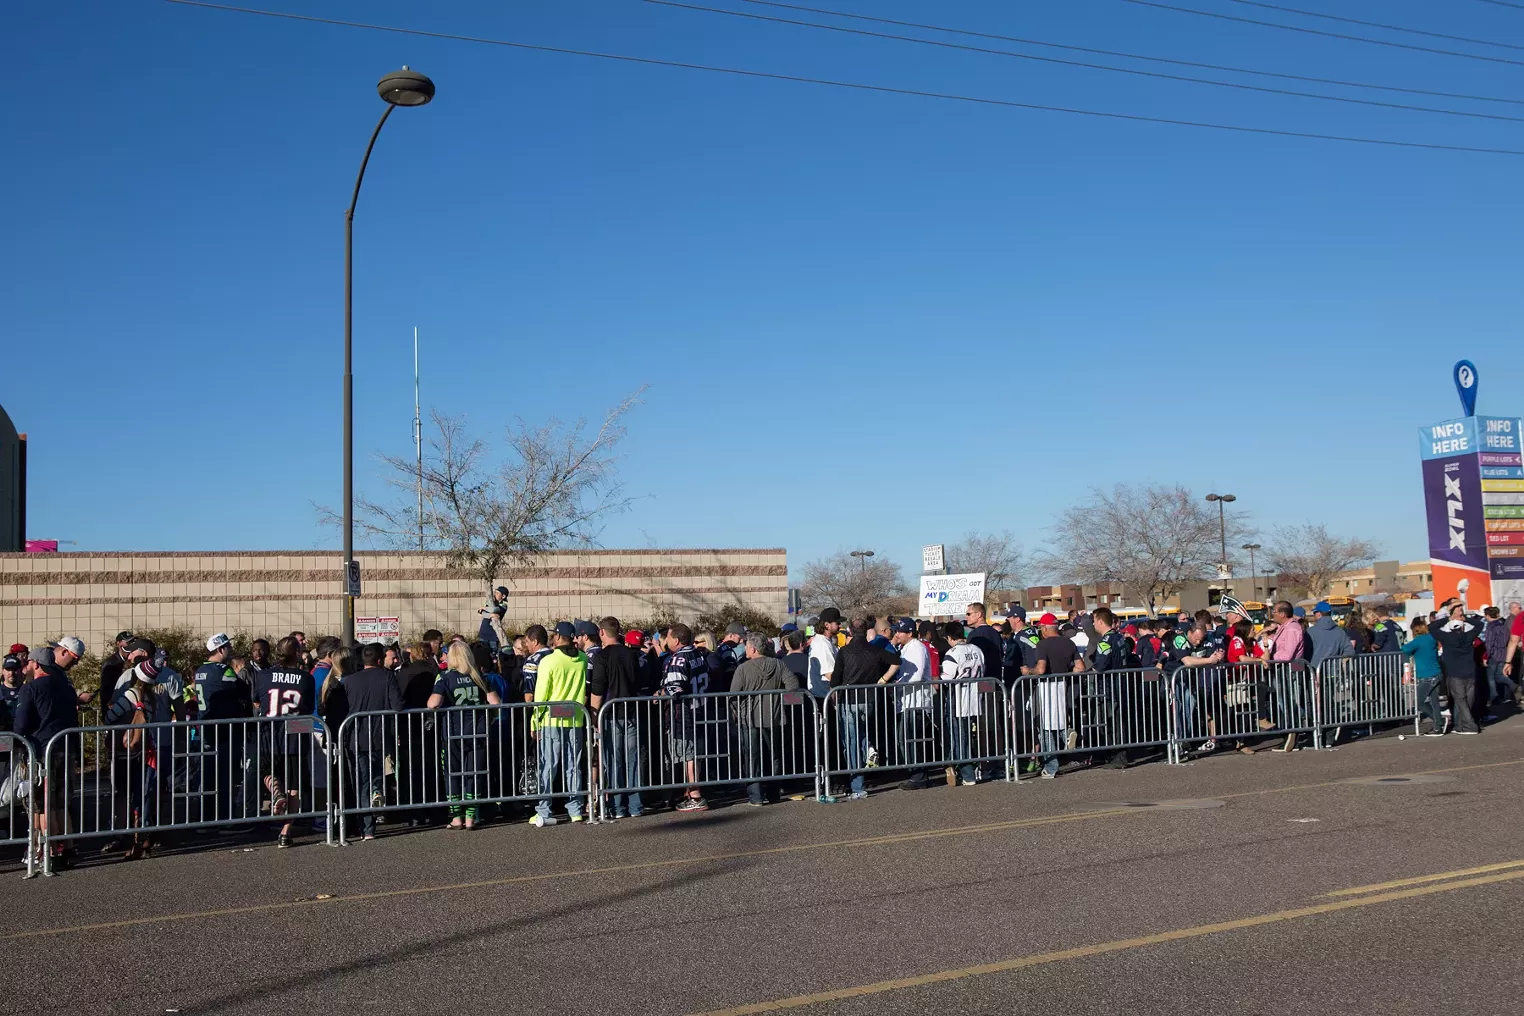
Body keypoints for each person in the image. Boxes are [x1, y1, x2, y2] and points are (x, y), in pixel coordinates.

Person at [104, 655, 177, 859]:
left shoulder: (131, 694)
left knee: (135, 795)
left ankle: (135, 838)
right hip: (149, 750)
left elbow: (109, 719)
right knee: (145, 794)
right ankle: (143, 836)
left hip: (132, 752)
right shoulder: (151, 698)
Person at [14, 647, 81, 869]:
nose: (26, 667)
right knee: (63, 804)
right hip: (67, 747)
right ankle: (69, 849)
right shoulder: (67, 687)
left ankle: (50, 852)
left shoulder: (31, 688)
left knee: (43, 806)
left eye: (29, 662)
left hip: (42, 750)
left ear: (36, 664)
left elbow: (21, 725)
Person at [426, 641, 502, 830]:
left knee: (452, 773)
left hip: (453, 732)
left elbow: (432, 703)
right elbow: (496, 703)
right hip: (478, 731)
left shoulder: (444, 677)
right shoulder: (480, 677)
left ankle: (456, 817)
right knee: (474, 773)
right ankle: (470, 818)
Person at [252, 636, 316, 848]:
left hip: (270, 732)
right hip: (296, 733)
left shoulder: (263, 675)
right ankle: (286, 831)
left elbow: (257, 700)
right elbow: (307, 707)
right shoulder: (306, 678)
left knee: (267, 772)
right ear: (297, 654)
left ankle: (275, 791)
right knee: (295, 786)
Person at [828, 615, 900, 800]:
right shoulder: (874, 650)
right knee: (860, 736)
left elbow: (835, 680)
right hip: (868, 699)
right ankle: (866, 754)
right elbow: (896, 661)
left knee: (850, 741)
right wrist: (882, 680)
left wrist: (835, 697)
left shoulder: (844, 652)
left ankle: (857, 784)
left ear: (850, 632)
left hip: (850, 700)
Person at [730, 632, 801, 806]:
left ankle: (756, 796)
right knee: (773, 756)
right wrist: (780, 703)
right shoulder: (779, 664)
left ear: (753, 649)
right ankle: (773, 793)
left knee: (752, 757)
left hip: (750, 719)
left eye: (747, 646)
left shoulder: (743, 669)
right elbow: (793, 687)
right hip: (774, 718)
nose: (745, 649)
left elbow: (733, 695)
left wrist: (738, 713)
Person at [588, 617, 649, 819]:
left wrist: (594, 715)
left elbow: (597, 688)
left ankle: (617, 806)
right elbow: (639, 682)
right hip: (631, 711)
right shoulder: (632, 654)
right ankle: (635, 805)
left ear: (602, 633)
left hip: (611, 713)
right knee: (633, 760)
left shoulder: (601, 657)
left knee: (614, 760)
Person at [529, 624, 588, 826]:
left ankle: (544, 810)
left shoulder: (549, 661)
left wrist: (534, 721)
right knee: (573, 766)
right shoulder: (582, 658)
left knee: (548, 766)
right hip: (576, 717)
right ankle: (575, 809)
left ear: (557, 637)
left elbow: (541, 695)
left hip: (551, 719)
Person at [193, 633, 254, 825]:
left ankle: (207, 818)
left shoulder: (200, 670)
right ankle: (226, 818)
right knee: (227, 775)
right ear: (220, 649)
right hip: (225, 730)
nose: (231, 649)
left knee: (209, 775)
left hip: (207, 727)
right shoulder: (223, 670)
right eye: (228, 646)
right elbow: (243, 689)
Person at [657, 623, 711, 812]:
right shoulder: (699, 655)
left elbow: (675, 688)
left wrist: (659, 693)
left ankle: (695, 795)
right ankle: (692, 790)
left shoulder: (679, 659)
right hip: (701, 711)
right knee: (695, 754)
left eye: (669, 637)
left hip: (686, 714)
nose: (667, 640)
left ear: (677, 640)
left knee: (690, 755)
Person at [889, 617, 936, 790]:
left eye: (901, 631)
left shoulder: (916, 647)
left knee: (912, 739)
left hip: (916, 702)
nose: (897, 634)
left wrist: (896, 684)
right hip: (907, 701)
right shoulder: (905, 648)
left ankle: (919, 776)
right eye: (897, 630)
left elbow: (916, 676)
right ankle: (916, 774)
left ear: (910, 633)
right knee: (907, 739)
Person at [1033, 613, 1082, 779]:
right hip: (1063, 684)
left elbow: (1040, 669)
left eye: (1041, 627)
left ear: (1046, 628)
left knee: (1046, 727)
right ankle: (1068, 734)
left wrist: (1028, 671)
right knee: (1060, 721)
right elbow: (1080, 667)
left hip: (1047, 686)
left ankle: (1051, 766)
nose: (1041, 630)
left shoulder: (1042, 644)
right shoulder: (1069, 643)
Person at [941, 621, 988, 785]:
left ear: (949, 637)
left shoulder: (952, 653)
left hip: (958, 699)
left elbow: (946, 679)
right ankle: (965, 768)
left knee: (959, 737)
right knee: (969, 736)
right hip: (975, 698)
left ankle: (967, 773)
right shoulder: (977, 650)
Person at [1433, 605, 1484, 735]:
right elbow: (1479, 625)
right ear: (1461, 627)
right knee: (1468, 700)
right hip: (1470, 672)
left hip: (1454, 673)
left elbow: (1432, 627)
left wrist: (1447, 618)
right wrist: (1465, 618)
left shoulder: (1446, 638)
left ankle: (1470, 726)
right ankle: (1462, 725)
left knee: (1460, 701)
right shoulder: (1468, 637)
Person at [1400, 617, 1445, 736]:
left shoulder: (1418, 641)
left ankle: (1438, 722)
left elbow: (1405, 649)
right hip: (1437, 673)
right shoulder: (1431, 638)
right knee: (1435, 702)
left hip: (1427, 676)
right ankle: (1438, 727)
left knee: (1419, 702)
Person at [1482, 606, 1516, 709]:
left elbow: (1489, 643)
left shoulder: (1491, 627)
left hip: (1494, 654)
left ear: (1487, 616)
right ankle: (1512, 686)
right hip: (1504, 653)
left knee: (1491, 677)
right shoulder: (1503, 626)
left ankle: (1494, 696)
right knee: (1500, 675)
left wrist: (1486, 656)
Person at [965, 602, 1004, 685]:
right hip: (995, 678)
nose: (966, 617)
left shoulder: (974, 634)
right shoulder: (995, 632)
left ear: (979, 614)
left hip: (981, 680)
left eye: (969, 614)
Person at [806, 607, 842, 700]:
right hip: (824, 695)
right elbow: (830, 674)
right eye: (837, 623)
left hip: (823, 693)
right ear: (827, 625)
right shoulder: (822, 644)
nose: (840, 626)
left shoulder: (823, 640)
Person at [96, 631, 135, 713]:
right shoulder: (110, 663)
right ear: (118, 643)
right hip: (115, 708)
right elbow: (106, 688)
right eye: (128, 642)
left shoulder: (133, 660)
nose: (131, 645)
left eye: (132, 642)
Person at [519, 625, 552, 703]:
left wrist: (527, 711)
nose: (526, 644)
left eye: (527, 641)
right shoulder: (556, 655)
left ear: (535, 642)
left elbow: (529, 695)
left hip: (540, 708)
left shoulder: (532, 661)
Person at [477, 586, 509, 651]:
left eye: (497, 593)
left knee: (493, 654)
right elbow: (482, 613)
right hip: (483, 633)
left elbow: (494, 609)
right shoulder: (490, 603)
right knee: (482, 653)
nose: (494, 595)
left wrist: (484, 608)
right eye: (495, 593)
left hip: (493, 635)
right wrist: (491, 615)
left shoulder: (503, 605)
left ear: (503, 596)